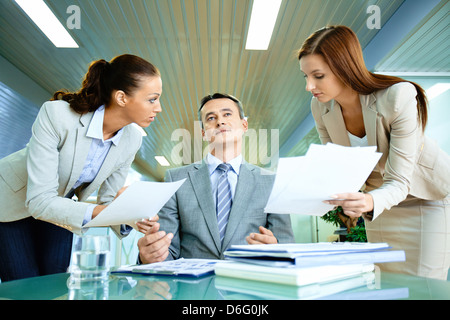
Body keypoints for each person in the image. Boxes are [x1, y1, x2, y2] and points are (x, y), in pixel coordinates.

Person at [297, 25, 450, 280]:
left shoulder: (397, 96)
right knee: (386, 281)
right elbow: (338, 165)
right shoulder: (319, 107)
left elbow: (400, 181)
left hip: (422, 198)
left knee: (424, 286)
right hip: (378, 206)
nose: (309, 85)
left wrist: (368, 201)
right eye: (305, 76)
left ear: (344, 68)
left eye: (318, 75)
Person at [0, 54, 163, 282]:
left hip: (59, 207)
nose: (159, 108)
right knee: (23, 285)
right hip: (11, 201)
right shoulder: (57, 115)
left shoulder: (132, 139)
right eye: (153, 99)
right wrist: (108, 212)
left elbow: (107, 202)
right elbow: (39, 201)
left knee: (54, 285)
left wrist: (132, 218)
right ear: (122, 98)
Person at [137, 93, 294, 264]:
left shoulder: (272, 182)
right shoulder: (175, 179)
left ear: (244, 125)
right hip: (192, 288)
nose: (220, 122)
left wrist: (277, 249)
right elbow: (167, 251)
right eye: (211, 118)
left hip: (249, 285)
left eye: (227, 114)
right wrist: (150, 256)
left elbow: (287, 246)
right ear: (204, 133)